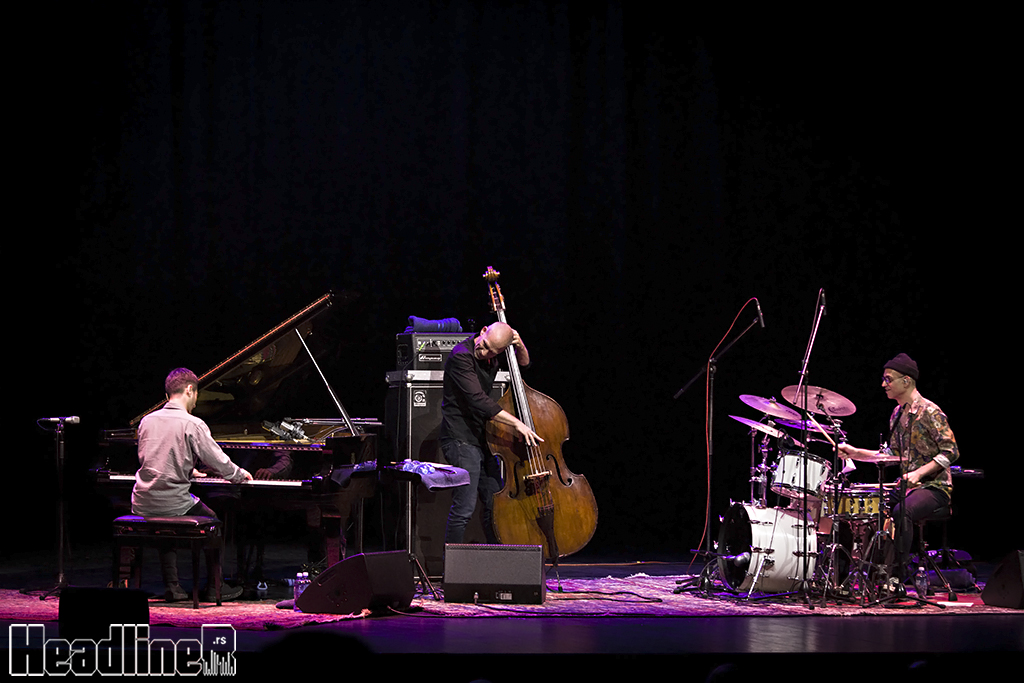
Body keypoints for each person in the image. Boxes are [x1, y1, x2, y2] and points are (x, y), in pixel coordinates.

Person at [132, 368, 253, 601]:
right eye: (197, 394)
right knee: (213, 521)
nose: (196, 402)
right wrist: (238, 474)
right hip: (172, 502)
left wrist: (188, 469)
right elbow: (217, 460)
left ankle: (173, 587)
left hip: (142, 502)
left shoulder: (146, 421)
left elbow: (154, 458)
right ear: (190, 390)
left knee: (164, 527)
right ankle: (215, 587)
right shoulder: (193, 423)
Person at [838, 353, 959, 581]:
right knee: (872, 509)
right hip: (908, 487)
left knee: (902, 511)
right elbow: (891, 455)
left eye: (888, 379)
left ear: (906, 380)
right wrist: (855, 452)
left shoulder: (930, 411)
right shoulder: (897, 414)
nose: (883, 384)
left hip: (935, 487)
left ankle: (897, 577)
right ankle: (873, 572)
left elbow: (951, 452)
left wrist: (919, 473)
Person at [440, 322, 542, 545]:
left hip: (482, 438)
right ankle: (452, 563)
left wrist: (520, 345)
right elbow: (477, 400)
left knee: (496, 504)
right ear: (483, 330)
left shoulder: (494, 352)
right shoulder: (461, 356)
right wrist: (516, 423)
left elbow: (524, 364)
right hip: (460, 438)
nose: (484, 351)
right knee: (464, 508)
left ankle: (496, 557)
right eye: (484, 345)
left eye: (491, 351)